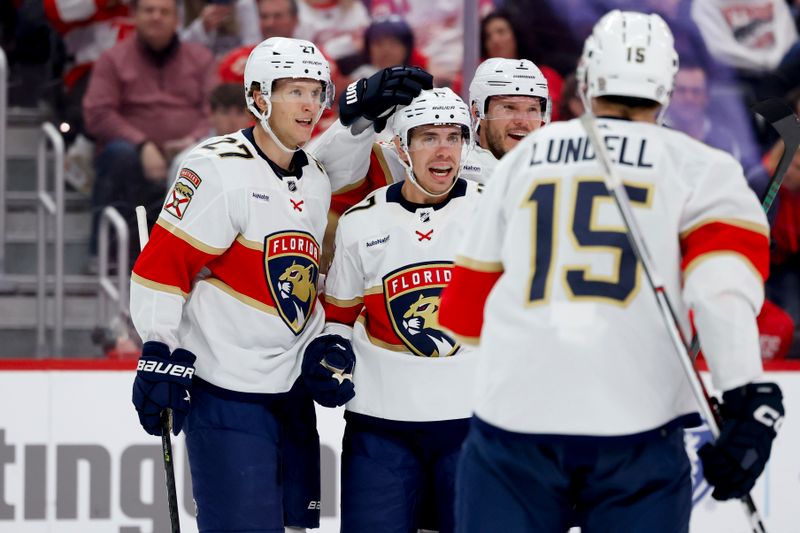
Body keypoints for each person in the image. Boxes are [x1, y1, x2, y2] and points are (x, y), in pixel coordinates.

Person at [438, 10, 784, 533]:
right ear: (665, 84)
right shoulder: (702, 168)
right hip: (637, 429)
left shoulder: (522, 162)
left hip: (515, 426)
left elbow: (464, 315)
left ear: (588, 78)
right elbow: (720, 292)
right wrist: (745, 398)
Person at [129, 36, 335, 532]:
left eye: (316, 92)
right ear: (259, 98)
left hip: (290, 389)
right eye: (294, 91)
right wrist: (159, 347)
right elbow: (163, 266)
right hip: (226, 390)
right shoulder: (216, 168)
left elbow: (303, 284)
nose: (309, 105)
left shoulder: (315, 179)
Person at [302, 88, 482, 533]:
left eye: (454, 137)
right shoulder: (361, 222)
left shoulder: (495, 212)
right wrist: (332, 354)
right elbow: (339, 321)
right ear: (401, 146)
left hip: (471, 424)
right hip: (380, 427)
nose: (444, 150)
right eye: (428, 138)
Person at [83, 0, 215, 267]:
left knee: (213, 156)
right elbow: (97, 113)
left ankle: (201, 261)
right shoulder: (112, 59)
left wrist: (191, 142)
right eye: (149, 10)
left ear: (177, 19)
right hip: (130, 154)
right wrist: (142, 144)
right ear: (135, 16)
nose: (157, 17)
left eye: (164, 11)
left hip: (190, 150)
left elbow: (215, 109)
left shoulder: (201, 58)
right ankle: (108, 253)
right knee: (120, 156)